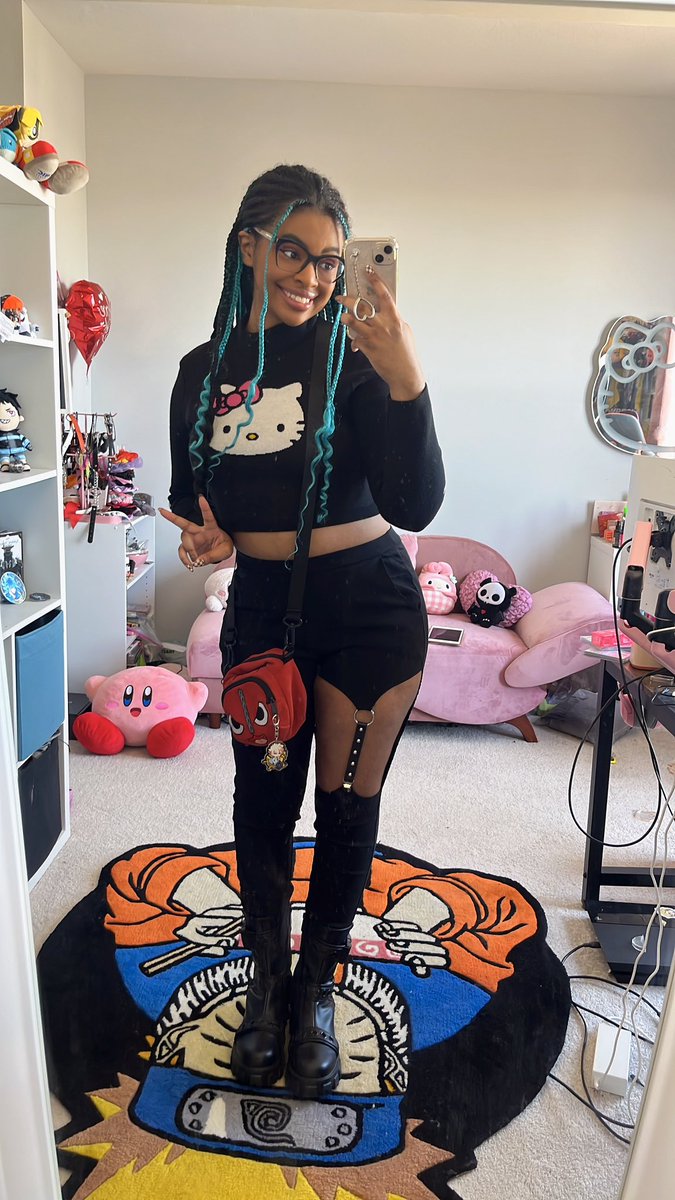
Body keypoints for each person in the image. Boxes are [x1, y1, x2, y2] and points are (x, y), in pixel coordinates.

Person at [160, 163, 444, 1100]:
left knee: (347, 809)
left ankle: (315, 989)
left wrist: (407, 381)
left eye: (329, 260)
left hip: (370, 607)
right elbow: (193, 504)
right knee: (261, 805)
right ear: (249, 247)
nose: (313, 277)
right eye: (293, 251)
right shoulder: (201, 373)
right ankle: (266, 989)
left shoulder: (357, 357)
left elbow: (414, 504)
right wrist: (205, 540)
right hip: (261, 608)